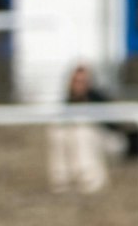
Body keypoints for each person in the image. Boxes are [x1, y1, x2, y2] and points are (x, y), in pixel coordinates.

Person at [47, 64, 110, 194]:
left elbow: (112, 126)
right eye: (76, 81)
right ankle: (61, 179)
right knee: (58, 132)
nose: (79, 85)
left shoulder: (99, 99)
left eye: (82, 81)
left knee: (83, 131)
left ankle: (90, 179)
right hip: (74, 137)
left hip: (105, 139)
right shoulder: (67, 102)